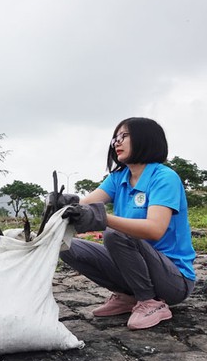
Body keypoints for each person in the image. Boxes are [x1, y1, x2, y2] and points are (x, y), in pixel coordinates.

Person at [59, 117, 196, 330]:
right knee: (64, 244)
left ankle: (149, 302)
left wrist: (103, 219)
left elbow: (155, 229)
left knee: (115, 233)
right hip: (136, 270)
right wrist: (66, 205)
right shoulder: (118, 178)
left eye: (124, 136)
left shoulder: (164, 177)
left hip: (173, 280)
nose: (116, 142)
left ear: (145, 139)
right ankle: (128, 296)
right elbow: (86, 204)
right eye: (115, 137)